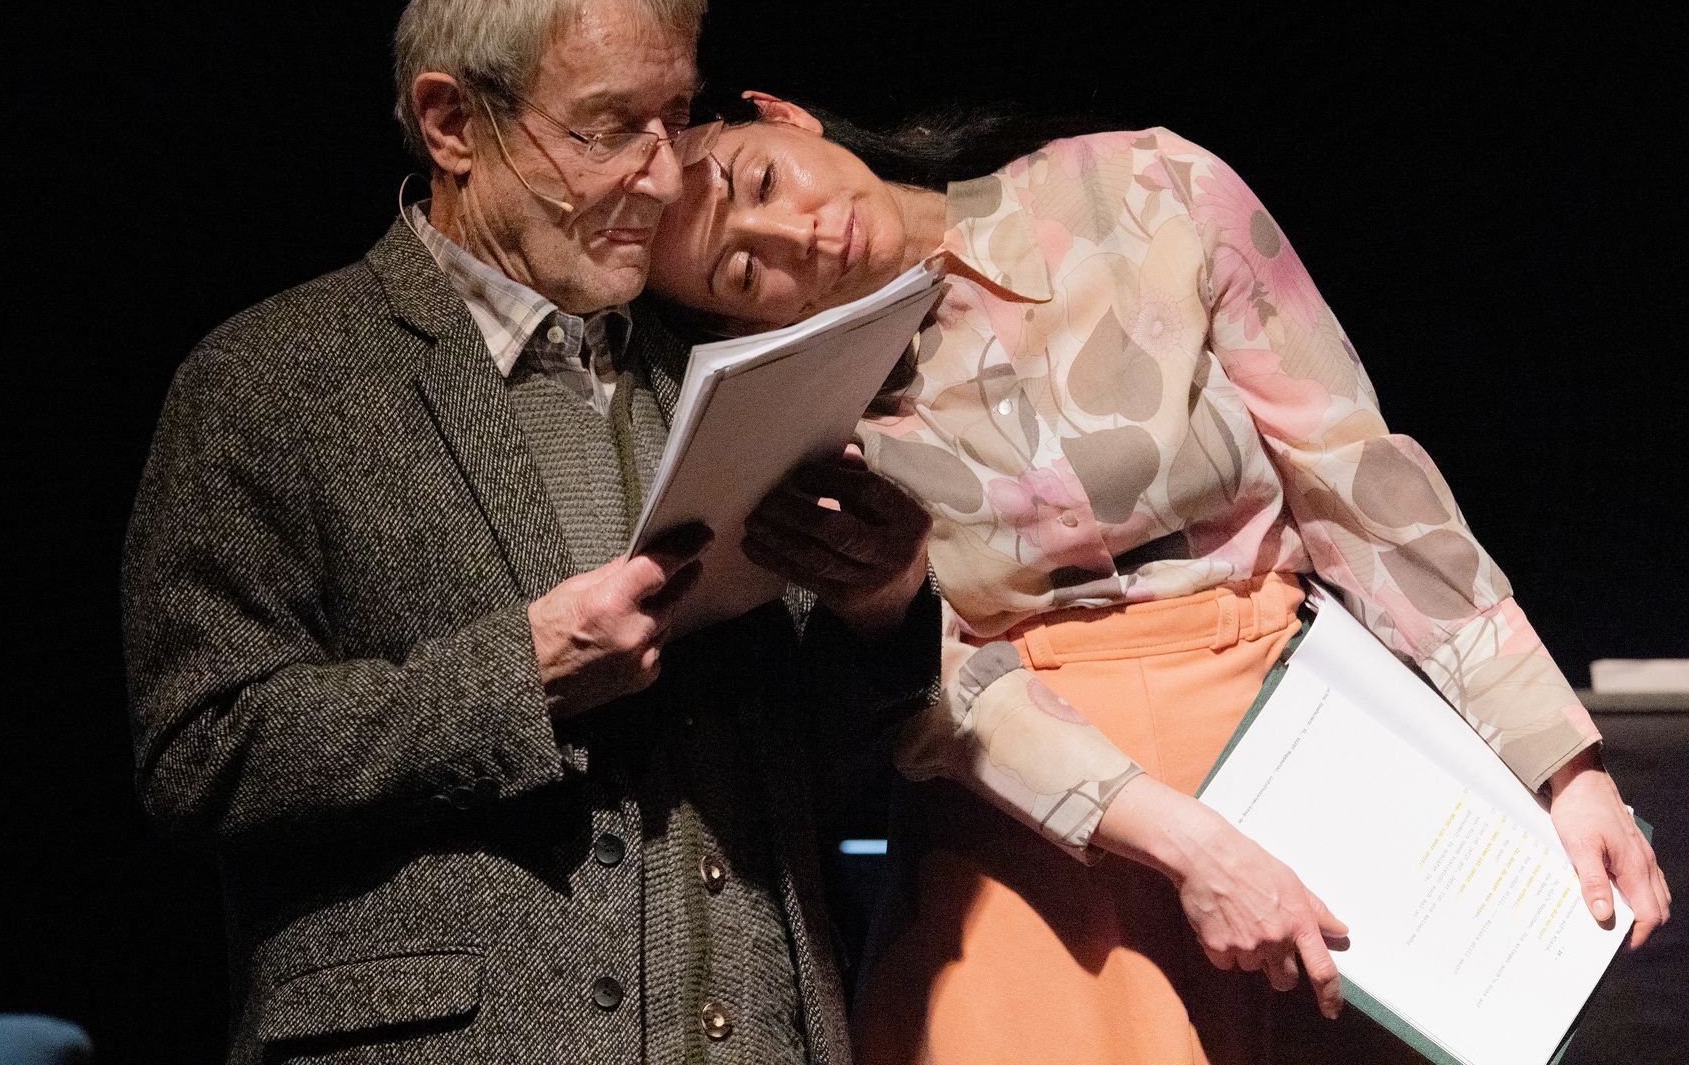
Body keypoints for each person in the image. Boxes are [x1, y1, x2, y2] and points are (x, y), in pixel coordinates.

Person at [647, 93, 1671, 1064]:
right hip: (1029, 810)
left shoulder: (1144, 185)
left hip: (1299, 755)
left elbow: (1357, 479)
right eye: (742, 271)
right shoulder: (805, 420)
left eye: (761, 181)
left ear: (784, 116)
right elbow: (925, 673)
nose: (794, 238)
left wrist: (1563, 765)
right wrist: (1188, 844)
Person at [121, 0, 938, 1065]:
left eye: (675, 118)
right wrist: (519, 677)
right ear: (454, 123)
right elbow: (199, 756)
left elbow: (826, 767)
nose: (663, 177)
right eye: (609, 129)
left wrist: (879, 606)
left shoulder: (724, 377)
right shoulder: (276, 376)